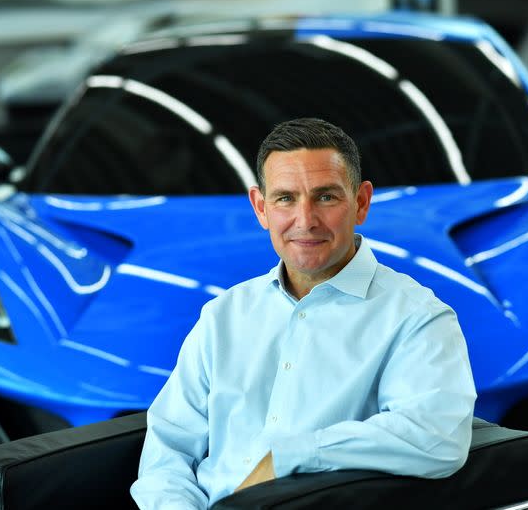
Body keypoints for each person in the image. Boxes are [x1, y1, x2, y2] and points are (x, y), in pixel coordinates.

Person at [131, 118, 477, 509]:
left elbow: (437, 436)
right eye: (285, 199)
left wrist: (291, 455)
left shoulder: (416, 317)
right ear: (261, 208)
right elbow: (167, 453)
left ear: (361, 202)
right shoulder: (223, 316)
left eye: (326, 197)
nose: (305, 220)